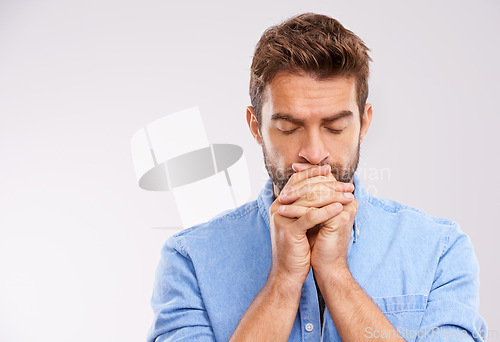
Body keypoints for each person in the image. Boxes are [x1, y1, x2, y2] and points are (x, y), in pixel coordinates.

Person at [147, 12, 487, 341]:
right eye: (289, 128)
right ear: (256, 128)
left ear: (364, 124)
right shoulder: (190, 260)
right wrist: (283, 282)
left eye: (335, 128)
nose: (314, 152)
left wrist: (336, 275)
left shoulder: (440, 251)